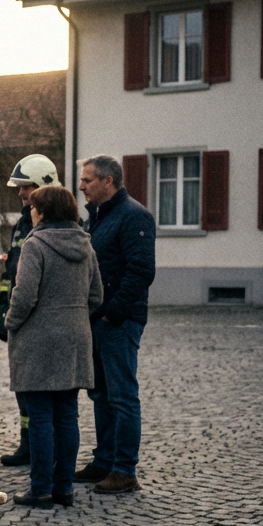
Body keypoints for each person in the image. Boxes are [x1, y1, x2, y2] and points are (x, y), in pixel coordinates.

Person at [5, 185, 102, 508]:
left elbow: (24, 296)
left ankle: (41, 489)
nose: (30, 213)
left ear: (42, 211)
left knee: (41, 417)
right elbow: (96, 296)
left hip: (39, 340)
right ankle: (64, 488)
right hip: (75, 338)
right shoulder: (85, 244)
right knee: (67, 415)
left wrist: (11, 322)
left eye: (34, 208)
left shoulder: (36, 244)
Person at [76, 154, 156, 494]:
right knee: (101, 395)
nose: (81, 186)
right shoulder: (100, 216)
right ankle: (104, 461)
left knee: (122, 396)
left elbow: (141, 271)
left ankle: (124, 470)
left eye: (88, 180)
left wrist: (113, 313)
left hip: (118, 322)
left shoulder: (134, 216)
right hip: (100, 320)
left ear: (108, 181)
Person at [0, 154, 63, 467]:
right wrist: (1, 310)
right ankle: (29, 444)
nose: (21, 193)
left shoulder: (59, 225)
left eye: (27, 187)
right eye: (20, 187)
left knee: (45, 392)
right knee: (23, 386)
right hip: (20, 320)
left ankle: (44, 449)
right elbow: (12, 271)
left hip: (40, 322)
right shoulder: (24, 222)